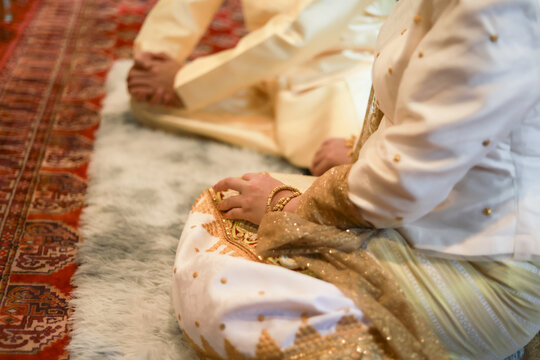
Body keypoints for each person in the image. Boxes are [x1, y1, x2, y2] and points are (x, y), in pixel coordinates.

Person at [172, 0, 540, 358]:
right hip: (423, 214)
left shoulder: (493, 13)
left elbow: (402, 183)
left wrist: (287, 205)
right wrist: (355, 157)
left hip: (481, 267)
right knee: (224, 207)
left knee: (229, 292)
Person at [127, 0, 395, 168]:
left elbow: (296, 34)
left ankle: (302, 135)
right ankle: (285, 131)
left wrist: (183, 80)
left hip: (338, 77)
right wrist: (154, 57)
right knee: (147, 104)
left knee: (353, 170)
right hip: (263, 72)